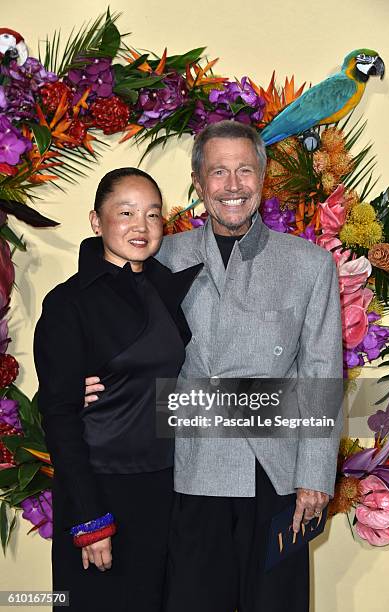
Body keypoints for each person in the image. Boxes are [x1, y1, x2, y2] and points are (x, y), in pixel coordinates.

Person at [85, 121, 343, 612]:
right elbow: (112, 334)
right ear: (199, 183)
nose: (232, 185)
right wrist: (85, 383)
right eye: (218, 172)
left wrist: (315, 476)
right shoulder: (162, 255)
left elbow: (321, 373)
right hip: (187, 472)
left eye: (245, 170)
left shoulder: (309, 264)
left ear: (262, 179)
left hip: (280, 478)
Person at [33, 167, 202, 612]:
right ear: (96, 221)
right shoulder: (69, 302)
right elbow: (59, 414)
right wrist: (91, 519)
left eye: (151, 215)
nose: (140, 227)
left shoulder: (167, 290)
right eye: (124, 212)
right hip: (99, 490)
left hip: (165, 489)